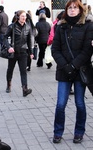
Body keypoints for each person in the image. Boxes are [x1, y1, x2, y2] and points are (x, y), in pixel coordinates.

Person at [51, 0, 93, 144]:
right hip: (64, 71)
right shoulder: (60, 26)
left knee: (80, 103)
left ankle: (79, 132)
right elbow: (55, 49)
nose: (72, 10)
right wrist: (65, 66)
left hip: (80, 70)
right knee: (60, 104)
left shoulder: (88, 26)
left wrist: (74, 66)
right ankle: (57, 132)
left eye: (75, 7)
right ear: (66, 9)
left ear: (80, 10)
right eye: (70, 7)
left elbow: (88, 50)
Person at [4, 10, 33, 97]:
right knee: (10, 69)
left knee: (23, 71)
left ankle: (25, 89)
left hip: (23, 52)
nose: (24, 18)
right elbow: (4, 38)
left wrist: (31, 53)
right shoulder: (12, 27)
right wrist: (9, 47)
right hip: (13, 52)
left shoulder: (28, 27)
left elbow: (29, 42)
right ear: (18, 17)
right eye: (22, 16)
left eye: (25, 16)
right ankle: (8, 85)